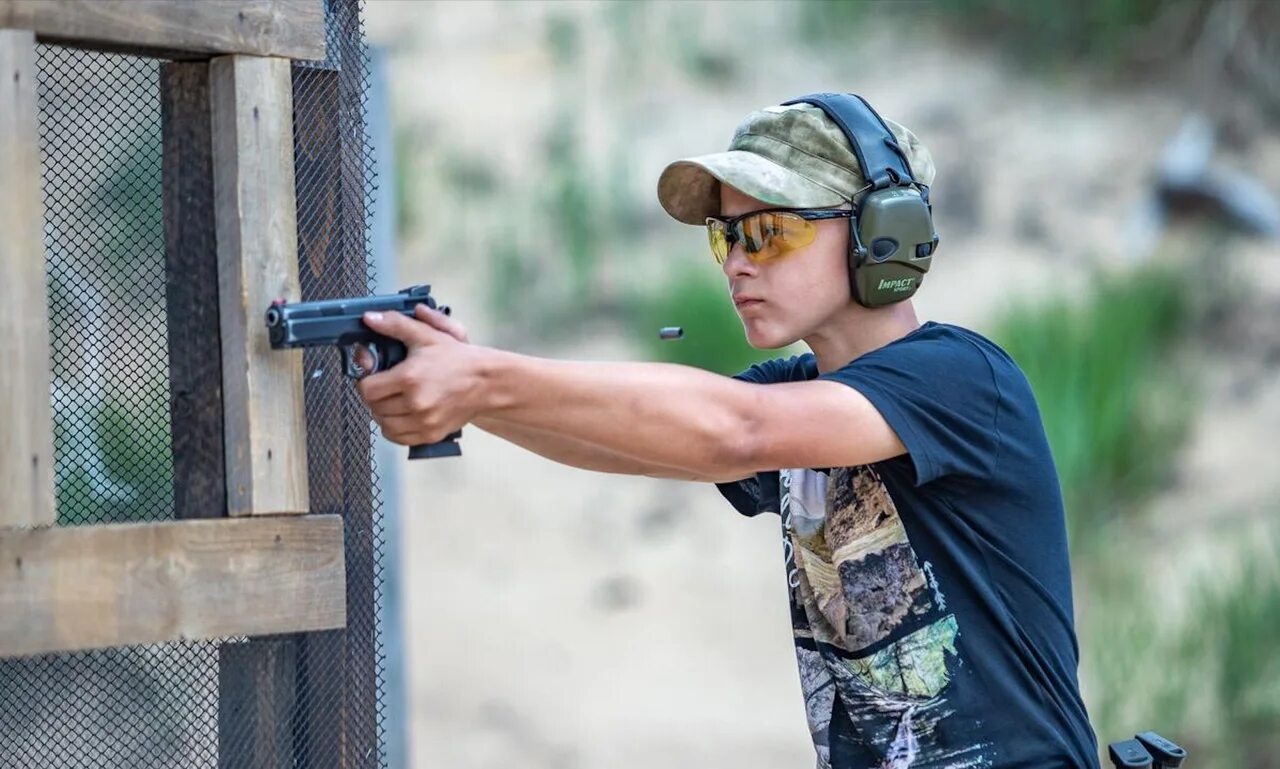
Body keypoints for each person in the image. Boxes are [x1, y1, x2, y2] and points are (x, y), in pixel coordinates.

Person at [352, 96, 1101, 769]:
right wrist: (467, 398)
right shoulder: (803, 396)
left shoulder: (961, 378)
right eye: (726, 238)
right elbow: (633, 441)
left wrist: (483, 379)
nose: (737, 264)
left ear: (882, 233)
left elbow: (733, 430)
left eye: (769, 232)